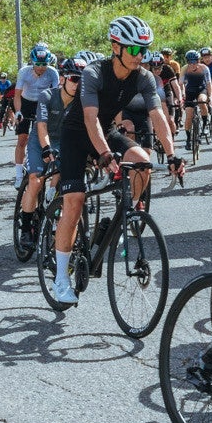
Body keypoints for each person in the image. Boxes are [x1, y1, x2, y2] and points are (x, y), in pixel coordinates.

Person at [49, 16, 183, 305]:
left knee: (141, 162)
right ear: (115, 46)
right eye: (134, 50)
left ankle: (127, 214)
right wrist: (105, 154)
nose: (140, 56)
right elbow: (88, 118)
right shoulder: (94, 73)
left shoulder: (145, 77)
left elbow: (158, 116)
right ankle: (60, 277)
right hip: (76, 133)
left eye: (144, 50)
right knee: (75, 200)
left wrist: (171, 154)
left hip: (106, 130)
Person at [16, 56, 79, 251]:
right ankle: (26, 228)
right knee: (36, 179)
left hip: (64, 140)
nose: (78, 84)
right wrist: (46, 148)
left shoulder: (83, 101)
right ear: (62, 79)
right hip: (40, 139)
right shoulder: (47, 96)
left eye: (82, 80)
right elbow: (41, 126)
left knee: (65, 180)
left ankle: (53, 209)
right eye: (74, 79)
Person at [12, 43, 59, 170]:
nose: (41, 67)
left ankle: (37, 163)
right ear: (32, 62)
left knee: (41, 137)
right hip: (25, 103)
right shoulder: (24, 72)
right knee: (22, 139)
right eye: (37, 64)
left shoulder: (52, 73)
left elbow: (56, 95)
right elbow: (17, 95)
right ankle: (18, 173)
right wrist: (18, 112)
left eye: (44, 64)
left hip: (42, 103)